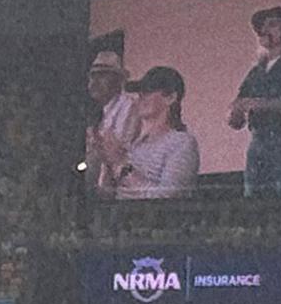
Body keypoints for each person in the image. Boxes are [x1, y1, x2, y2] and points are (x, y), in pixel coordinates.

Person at [230, 8, 281, 196]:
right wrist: (235, 112)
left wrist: (255, 104)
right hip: (256, 141)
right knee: (253, 200)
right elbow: (237, 113)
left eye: (272, 24)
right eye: (262, 26)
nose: (264, 30)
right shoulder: (255, 72)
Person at [112, 67, 199, 199]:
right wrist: (106, 158)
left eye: (147, 91)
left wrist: (123, 167)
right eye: (139, 92)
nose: (140, 97)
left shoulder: (182, 143)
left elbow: (168, 197)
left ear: (170, 98)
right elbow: (108, 194)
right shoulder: (135, 144)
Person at [84, 48, 139, 196]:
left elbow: (118, 151)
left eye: (102, 75)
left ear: (118, 80)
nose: (94, 82)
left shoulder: (128, 107)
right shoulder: (102, 112)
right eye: (92, 76)